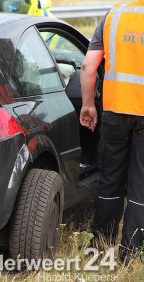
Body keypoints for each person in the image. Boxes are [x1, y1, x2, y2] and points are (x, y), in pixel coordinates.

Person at [80, 1, 144, 262]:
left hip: (115, 112)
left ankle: (100, 245)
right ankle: (132, 253)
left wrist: (87, 105)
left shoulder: (113, 16)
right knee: (141, 185)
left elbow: (88, 67)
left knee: (110, 180)